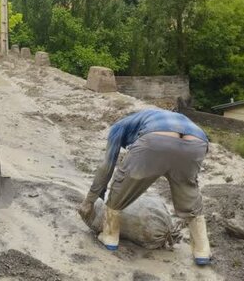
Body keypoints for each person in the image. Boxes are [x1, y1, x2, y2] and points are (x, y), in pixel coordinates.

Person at [77, 109, 212, 265]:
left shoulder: (118, 127)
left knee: (120, 187)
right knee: (189, 193)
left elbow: (106, 167)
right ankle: (202, 250)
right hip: (197, 142)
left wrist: (89, 201)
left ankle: (110, 236)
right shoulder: (152, 117)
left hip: (155, 139)